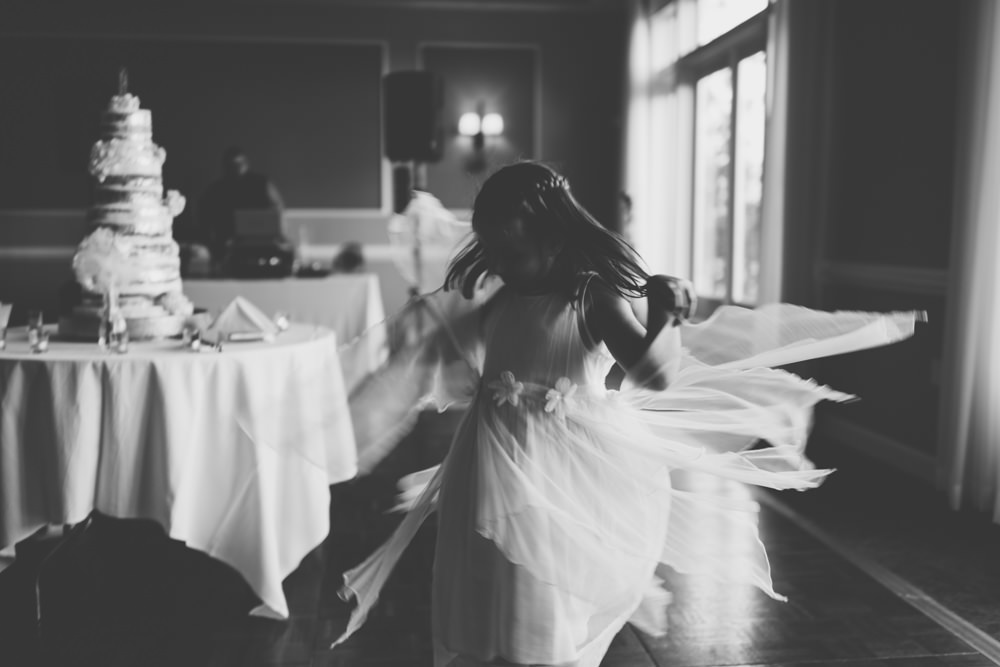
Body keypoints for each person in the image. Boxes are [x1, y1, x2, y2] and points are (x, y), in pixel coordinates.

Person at [333, 162, 923, 666]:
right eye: (492, 251)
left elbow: (655, 373)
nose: (501, 265)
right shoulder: (502, 299)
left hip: (559, 470)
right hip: (486, 465)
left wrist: (666, 318)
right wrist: (403, 368)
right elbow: (443, 353)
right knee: (485, 580)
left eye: (512, 251)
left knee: (538, 588)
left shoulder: (591, 296)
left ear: (552, 235)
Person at [198, 146, 285, 261]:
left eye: (240, 163)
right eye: (232, 165)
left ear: (247, 163)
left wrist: (274, 232)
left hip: (261, 242)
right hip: (227, 245)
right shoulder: (216, 190)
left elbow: (278, 209)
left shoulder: (261, 183)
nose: (237, 167)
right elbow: (205, 219)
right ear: (225, 167)